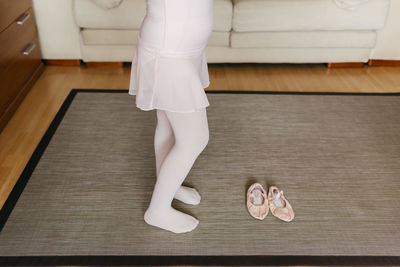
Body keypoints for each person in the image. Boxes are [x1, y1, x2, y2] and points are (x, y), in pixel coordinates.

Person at [128, 0, 214, 233]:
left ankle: (168, 185)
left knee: (168, 125)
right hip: (168, 51)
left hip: (186, 48)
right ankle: (158, 211)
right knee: (195, 138)